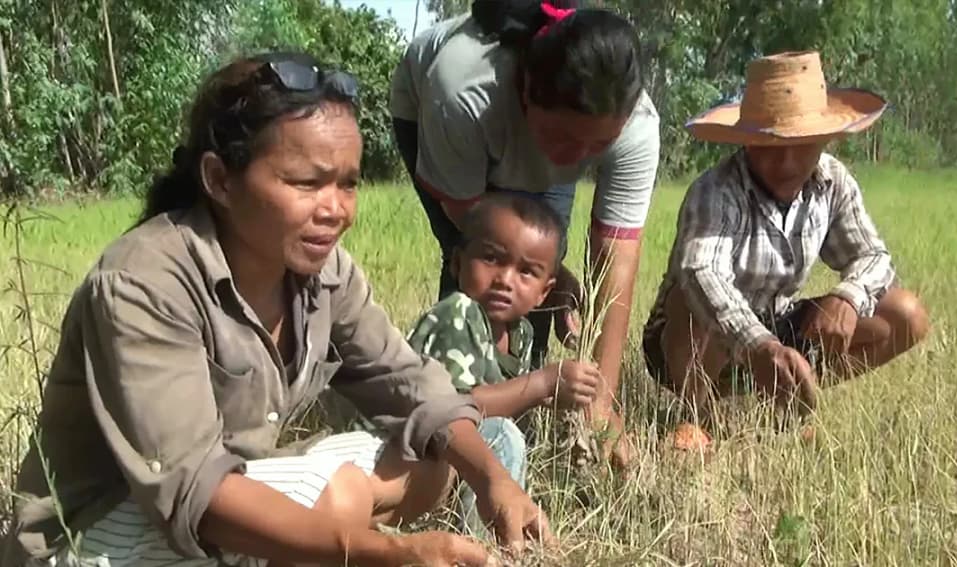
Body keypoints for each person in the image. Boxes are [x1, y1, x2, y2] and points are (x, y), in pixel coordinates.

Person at [1, 51, 550, 567]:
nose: (336, 210)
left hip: (227, 489)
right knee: (338, 499)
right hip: (97, 532)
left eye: (349, 184)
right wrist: (384, 553)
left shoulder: (322, 273)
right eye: (307, 182)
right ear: (219, 179)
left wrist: (493, 479)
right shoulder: (143, 281)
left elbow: (409, 383)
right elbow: (196, 492)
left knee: (433, 463)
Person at [390, 0, 661, 469]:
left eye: (596, 147)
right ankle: (450, 409)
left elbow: (615, 261)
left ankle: (513, 406)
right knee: (481, 271)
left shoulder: (635, 128)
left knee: (531, 286)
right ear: (529, 91)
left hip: (522, 120)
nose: (573, 159)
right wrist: (530, 271)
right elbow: (476, 232)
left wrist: (603, 401)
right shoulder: (463, 90)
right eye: (564, 139)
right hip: (432, 114)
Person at [642, 51, 931, 442]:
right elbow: (701, 275)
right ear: (747, 140)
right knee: (690, 301)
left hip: (776, 325)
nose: (788, 161)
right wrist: (758, 345)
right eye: (772, 145)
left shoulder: (833, 182)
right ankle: (700, 416)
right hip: (692, 340)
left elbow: (873, 257)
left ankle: (789, 391)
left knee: (905, 314)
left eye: (804, 145)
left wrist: (848, 295)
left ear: (825, 140)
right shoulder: (716, 190)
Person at [404, 193, 601, 535]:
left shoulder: (521, 332)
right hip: (408, 454)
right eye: (491, 259)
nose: (506, 279)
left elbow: (508, 400)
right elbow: (456, 410)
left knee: (513, 434)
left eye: (526, 271)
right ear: (457, 264)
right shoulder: (458, 314)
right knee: (500, 436)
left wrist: (556, 399)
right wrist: (541, 384)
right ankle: (482, 547)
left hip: (451, 462)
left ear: (544, 292)